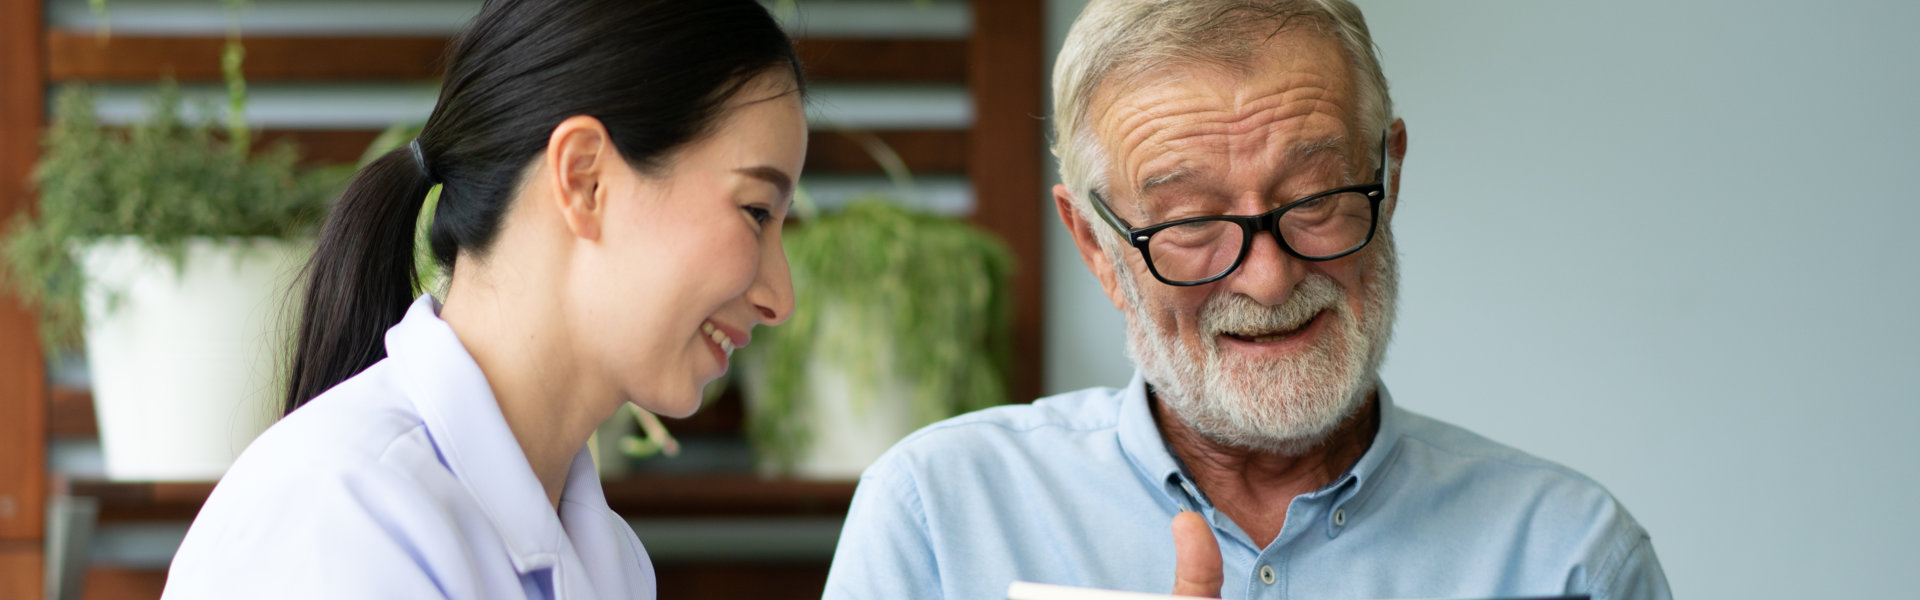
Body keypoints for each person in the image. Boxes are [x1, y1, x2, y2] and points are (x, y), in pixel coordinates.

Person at [824, 1, 1670, 599]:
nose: (1268, 280)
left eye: (1315, 197)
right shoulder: (936, 514)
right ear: (1094, 243)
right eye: (1191, 222)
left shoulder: (1570, 559)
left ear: (1390, 172)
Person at [161, 0, 805, 597]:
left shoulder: (612, 560)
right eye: (755, 211)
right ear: (585, 180)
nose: (780, 297)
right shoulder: (335, 519)